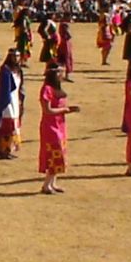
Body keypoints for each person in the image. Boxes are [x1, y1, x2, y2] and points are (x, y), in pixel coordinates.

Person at [39, 65, 80, 195]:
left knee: (59, 153)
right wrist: (65, 110)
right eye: (60, 72)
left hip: (60, 125)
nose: (63, 75)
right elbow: (47, 110)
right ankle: (46, 185)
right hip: (50, 127)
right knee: (54, 154)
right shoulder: (46, 89)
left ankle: (52, 183)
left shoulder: (56, 88)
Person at [0, 49, 26, 160]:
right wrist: (6, 103)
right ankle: (1, 150)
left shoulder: (19, 70)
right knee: (6, 126)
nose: (16, 59)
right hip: (7, 103)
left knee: (13, 126)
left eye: (18, 56)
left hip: (15, 100)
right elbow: (5, 89)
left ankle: (8, 149)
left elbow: (20, 87)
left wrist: (21, 101)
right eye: (14, 56)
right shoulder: (5, 70)